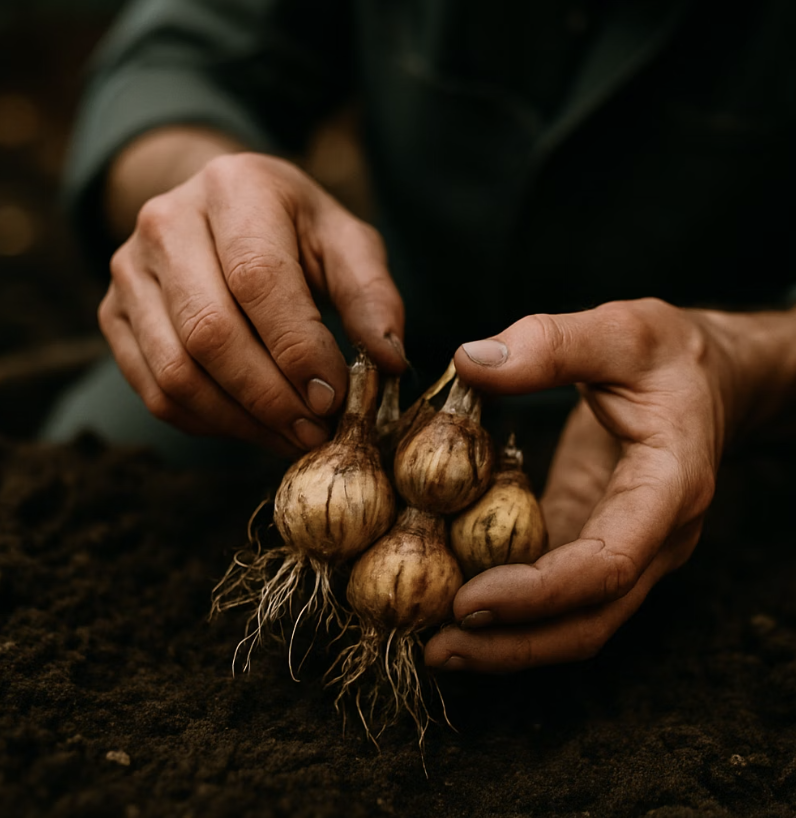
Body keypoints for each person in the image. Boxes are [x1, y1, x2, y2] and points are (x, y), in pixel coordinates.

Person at [51, 0, 796, 673]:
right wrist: (209, 190)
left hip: (717, 395)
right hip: (378, 338)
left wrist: (749, 359)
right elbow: (175, 57)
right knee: (89, 480)